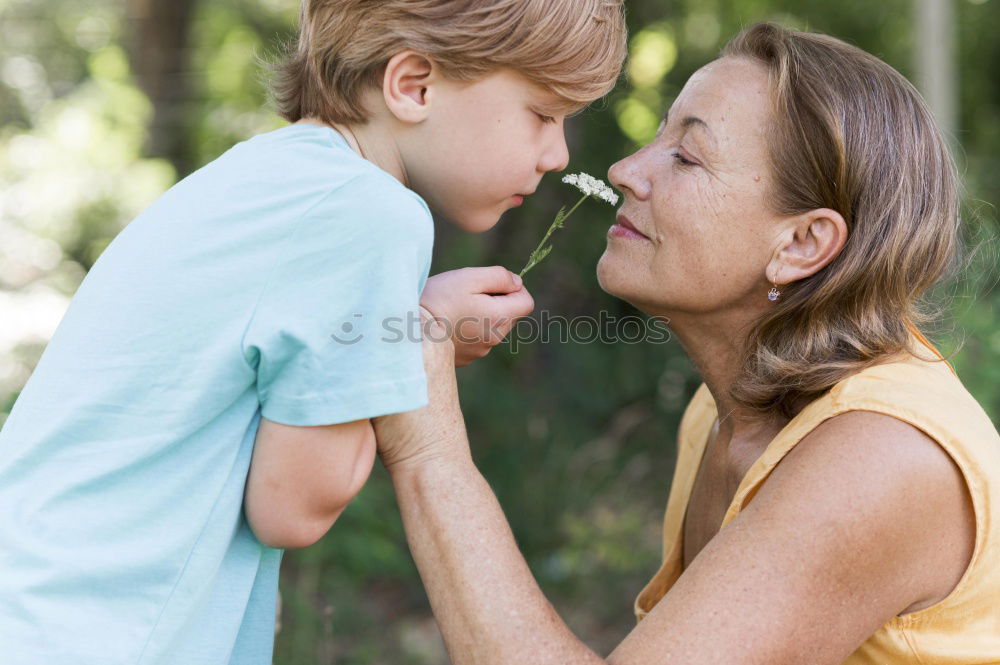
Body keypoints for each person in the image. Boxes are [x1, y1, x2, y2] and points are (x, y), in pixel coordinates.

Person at [0, 1, 625, 663]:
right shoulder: (373, 214)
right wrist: (424, 336)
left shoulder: (273, 177)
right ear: (413, 85)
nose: (557, 155)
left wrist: (406, 321)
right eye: (542, 114)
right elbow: (292, 506)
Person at [372, 22, 1000, 664]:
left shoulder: (882, 457)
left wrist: (427, 447)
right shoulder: (721, 414)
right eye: (658, 137)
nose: (624, 171)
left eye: (688, 156)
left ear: (802, 244)